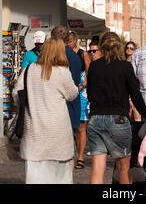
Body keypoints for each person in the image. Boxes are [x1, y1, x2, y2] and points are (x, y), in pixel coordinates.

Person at [12, 37, 79, 184]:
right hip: (58, 133)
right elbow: (72, 94)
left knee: (35, 176)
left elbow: (17, 94)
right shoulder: (62, 71)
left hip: (34, 132)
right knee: (60, 177)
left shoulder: (29, 70)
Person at [87, 31, 146, 184]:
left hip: (96, 119)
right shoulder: (125, 67)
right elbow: (135, 94)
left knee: (97, 168)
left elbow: (89, 93)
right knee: (123, 169)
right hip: (118, 119)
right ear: (119, 47)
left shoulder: (94, 66)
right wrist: (145, 113)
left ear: (101, 47)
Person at [51, 26, 81, 170]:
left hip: (53, 108)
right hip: (71, 104)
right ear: (68, 39)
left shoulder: (49, 56)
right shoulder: (75, 57)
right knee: (69, 146)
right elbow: (75, 84)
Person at [68, 31, 91, 170]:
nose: (69, 43)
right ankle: (70, 155)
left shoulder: (83, 54)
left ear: (75, 41)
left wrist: (82, 85)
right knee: (70, 126)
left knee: (81, 127)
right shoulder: (64, 54)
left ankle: (80, 156)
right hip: (69, 90)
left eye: (70, 41)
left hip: (82, 92)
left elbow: (89, 73)